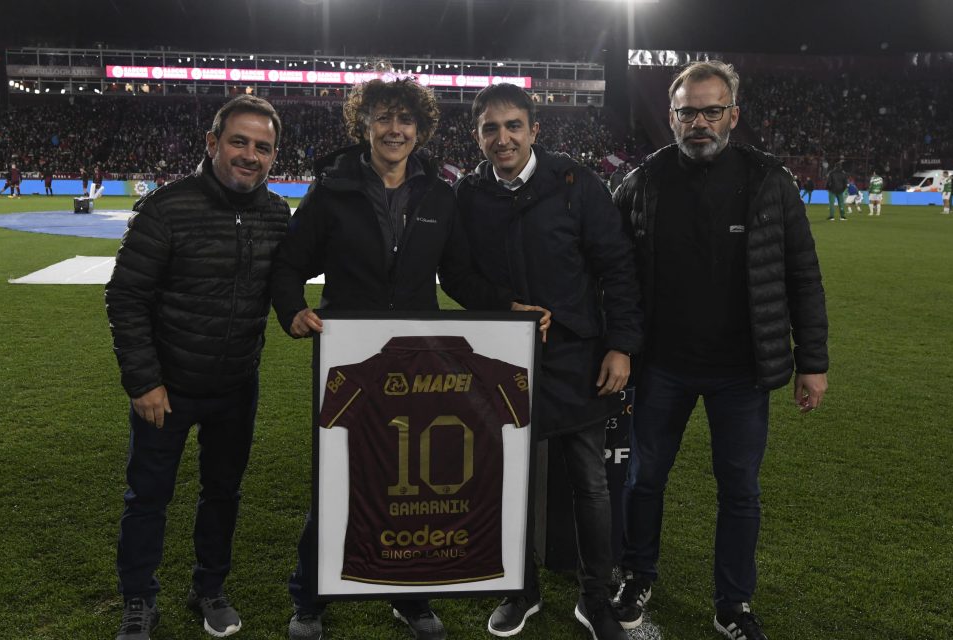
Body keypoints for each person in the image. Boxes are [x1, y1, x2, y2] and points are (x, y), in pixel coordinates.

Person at [273, 77, 549, 640]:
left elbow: (461, 275)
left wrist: (509, 307)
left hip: (418, 360)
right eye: (383, 118)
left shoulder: (439, 195)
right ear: (365, 125)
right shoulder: (332, 188)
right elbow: (288, 262)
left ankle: (410, 598)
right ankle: (309, 599)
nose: (394, 129)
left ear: (420, 129)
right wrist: (291, 310)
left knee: (410, 485)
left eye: (405, 120)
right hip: (351, 356)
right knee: (341, 476)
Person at [612, 60, 829, 640]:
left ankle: (732, 602)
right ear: (672, 116)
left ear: (733, 114)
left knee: (740, 491)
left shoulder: (768, 181)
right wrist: (620, 346)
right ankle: (636, 575)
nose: (700, 121)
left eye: (712, 110)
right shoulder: (642, 182)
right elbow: (613, 274)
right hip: (661, 366)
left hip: (742, 370)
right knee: (645, 480)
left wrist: (813, 360)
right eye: (688, 111)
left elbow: (802, 274)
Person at [454, 83, 642, 640]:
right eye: (491, 128)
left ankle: (594, 596)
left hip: (576, 357)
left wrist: (622, 344)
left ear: (535, 130)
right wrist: (504, 308)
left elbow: (617, 267)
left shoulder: (576, 183)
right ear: (477, 136)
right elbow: (458, 276)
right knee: (507, 481)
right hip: (503, 359)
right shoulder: (467, 195)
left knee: (590, 482)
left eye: (513, 125)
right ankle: (520, 591)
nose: (503, 137)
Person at [104, 94, 292, 640]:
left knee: (223, 493)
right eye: (239, 141)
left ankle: (209, 588)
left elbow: (293, 281)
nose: (250, 155)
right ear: (212, 144)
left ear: (274, 156)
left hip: (236, 386)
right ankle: (139, 599)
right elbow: (126, 298)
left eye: (263, 147)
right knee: (148, 497)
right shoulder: (167, 207)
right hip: (168, 387)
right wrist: (144, 382)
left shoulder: (278, 214)